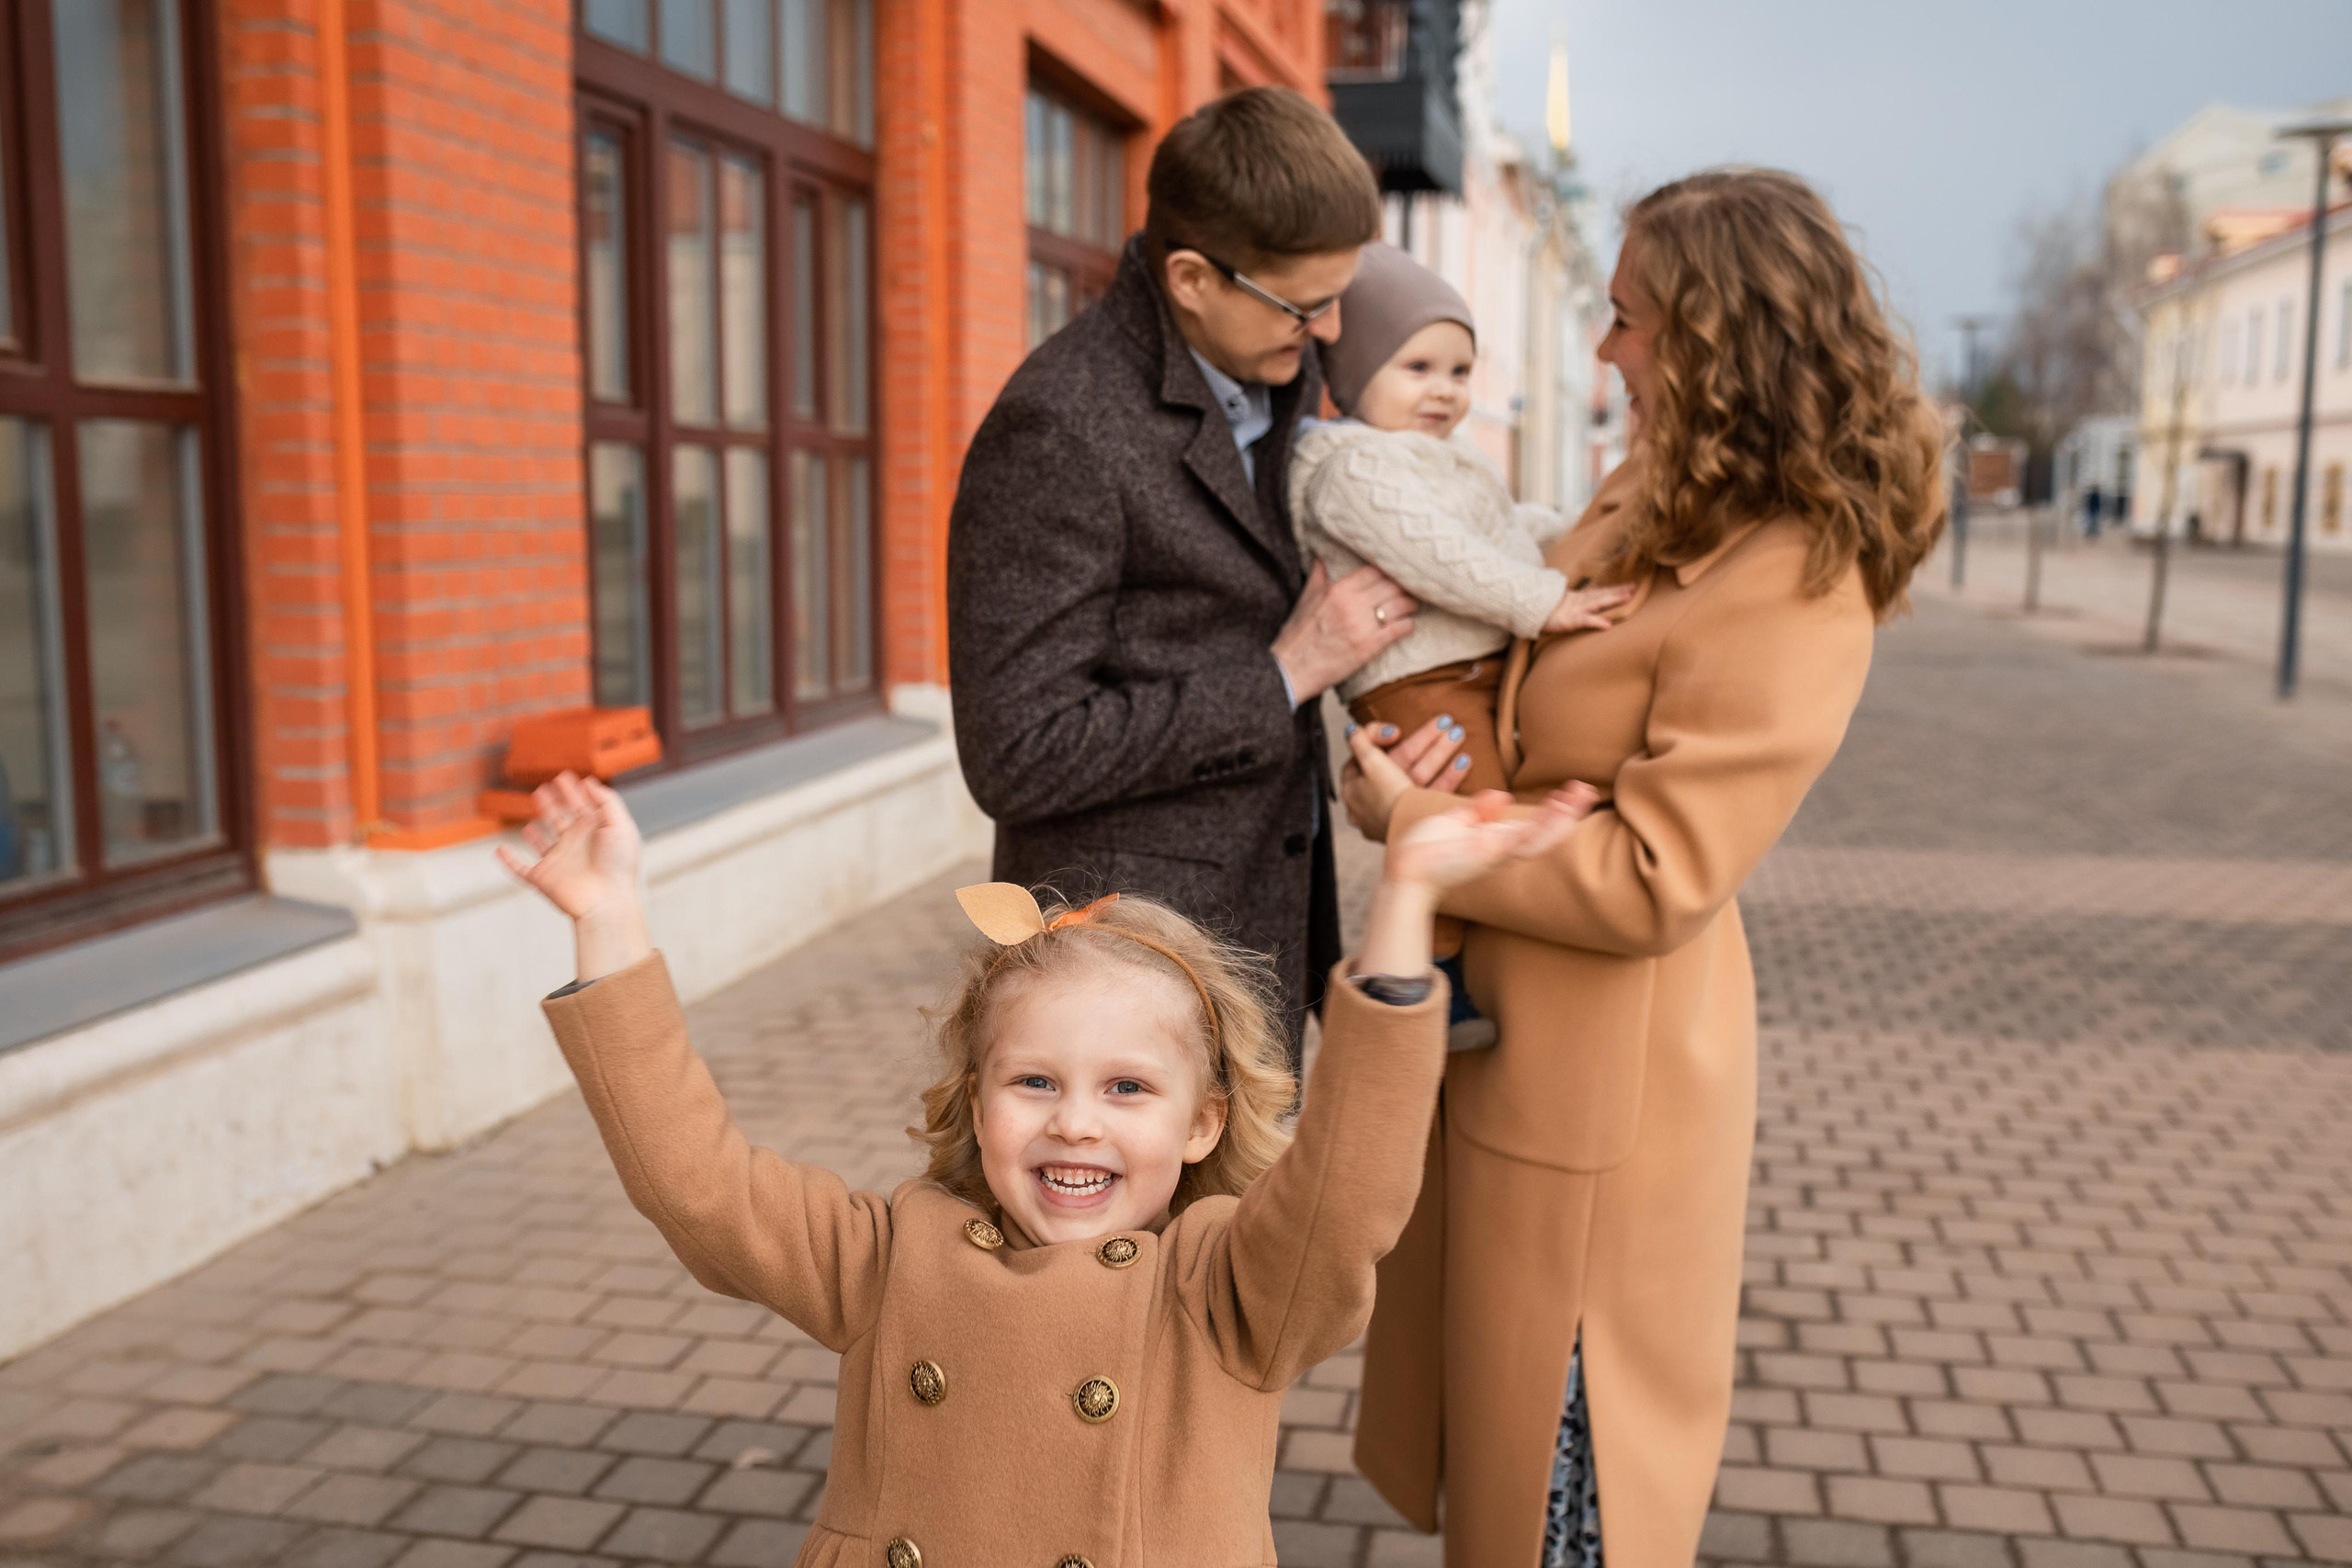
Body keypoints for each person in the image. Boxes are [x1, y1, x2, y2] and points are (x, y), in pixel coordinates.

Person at [498, 769, 1595, 1567]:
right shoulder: (891, 1256)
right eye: (1033, 1084)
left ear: (1204, 1124)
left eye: (1126, 1089)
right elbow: (697, 1184)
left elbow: (1348, 1192)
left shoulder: (1226, 1290)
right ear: (976, 1105)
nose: (1076, 1124)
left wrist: (1404, 906)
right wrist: (610, 922)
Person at [1343, 168, 1948, 1568]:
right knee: (1499, 1460)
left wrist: (1423, 834)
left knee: (1569, 1483)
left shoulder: (1798, 566)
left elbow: (1660, 873)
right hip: (1520, 1038)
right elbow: (1513, 696)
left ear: (1713, 332)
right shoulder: (1655, 487)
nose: (1605, 347)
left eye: (1625, 319)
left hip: (1607, 1082)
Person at [948, 87, 1434, 1065]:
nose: (1334, 328)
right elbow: (1017, 752)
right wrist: (1282, 678)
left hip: (1267, 939)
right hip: (1123, 984)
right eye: (1305, 303)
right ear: (1190, 278)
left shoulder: (1279, 367)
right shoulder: (1060, 425)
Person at [1293, 242, 1634, 1044]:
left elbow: (1502, 531)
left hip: (1468, 672)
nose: (1444, 390)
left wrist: (1584, 540)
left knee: (1478, 803)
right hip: (1420, 685)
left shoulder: (1443, 458)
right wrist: (1543, 600)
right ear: (1352, 374)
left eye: (1459, 371)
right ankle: (1424, 975)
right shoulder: (1353, 470)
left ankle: (1459, 963)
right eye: (1417, 367)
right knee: (1461, 810)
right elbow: (1443, 559)